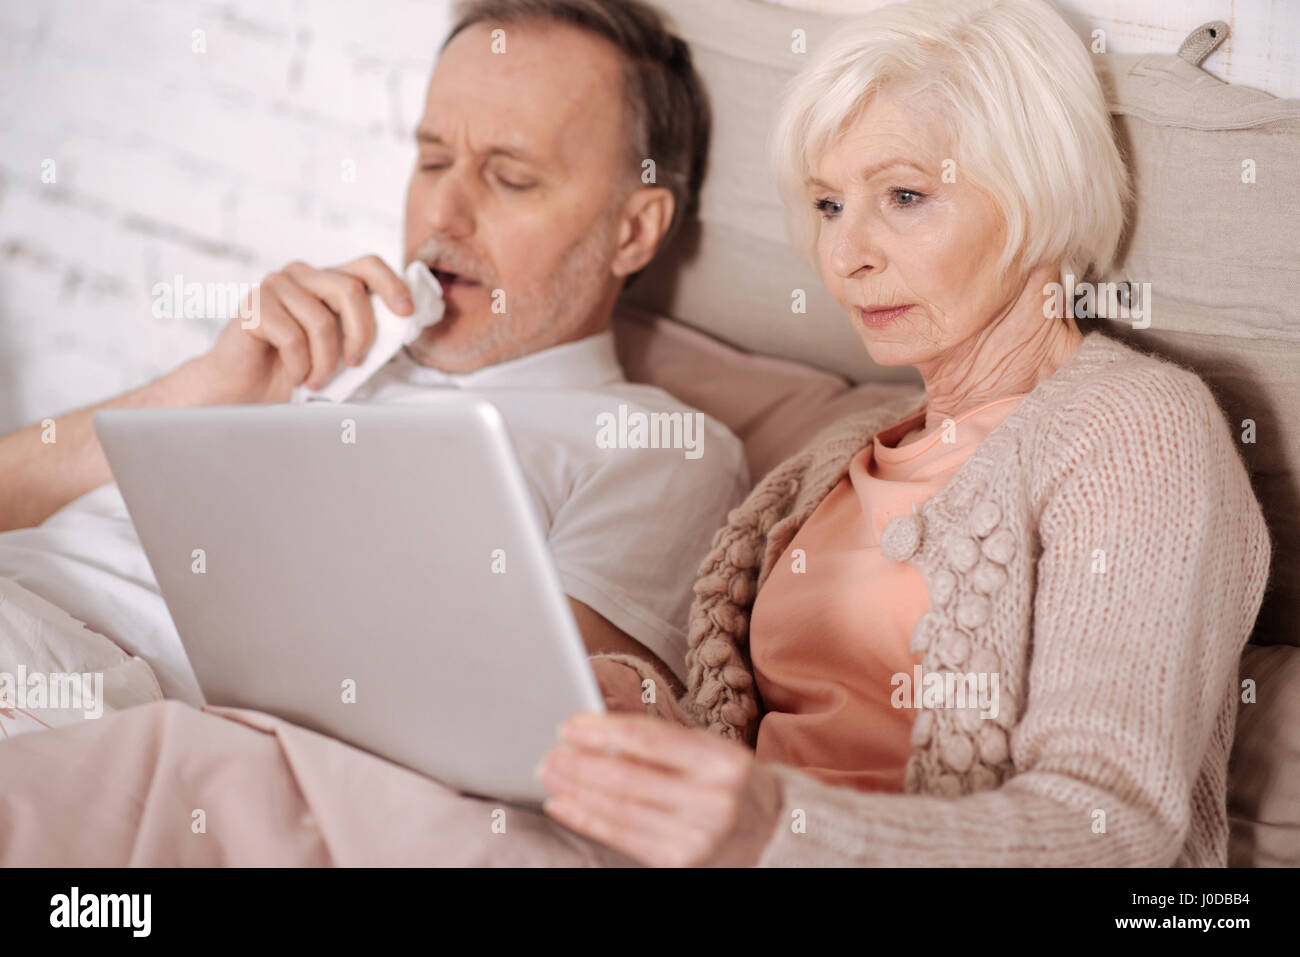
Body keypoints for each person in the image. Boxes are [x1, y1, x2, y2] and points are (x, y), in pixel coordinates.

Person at [535, 0, 1272, 867]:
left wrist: (780, 830)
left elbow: (1110, 822)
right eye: (829, 204)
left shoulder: (1136, 429)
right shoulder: (830, 454)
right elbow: (753, 747)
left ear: (1037, 188)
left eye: (907, 196)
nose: (846, 253)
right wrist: (640, 705)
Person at [0, 0, 746, 700]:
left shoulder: (658, 448)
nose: (441, 213)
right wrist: (204, 388)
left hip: (73, 690)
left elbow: (537, 727)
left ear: (635, 230)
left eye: (510, 177)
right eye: (430, 161)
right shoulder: (310, 346)